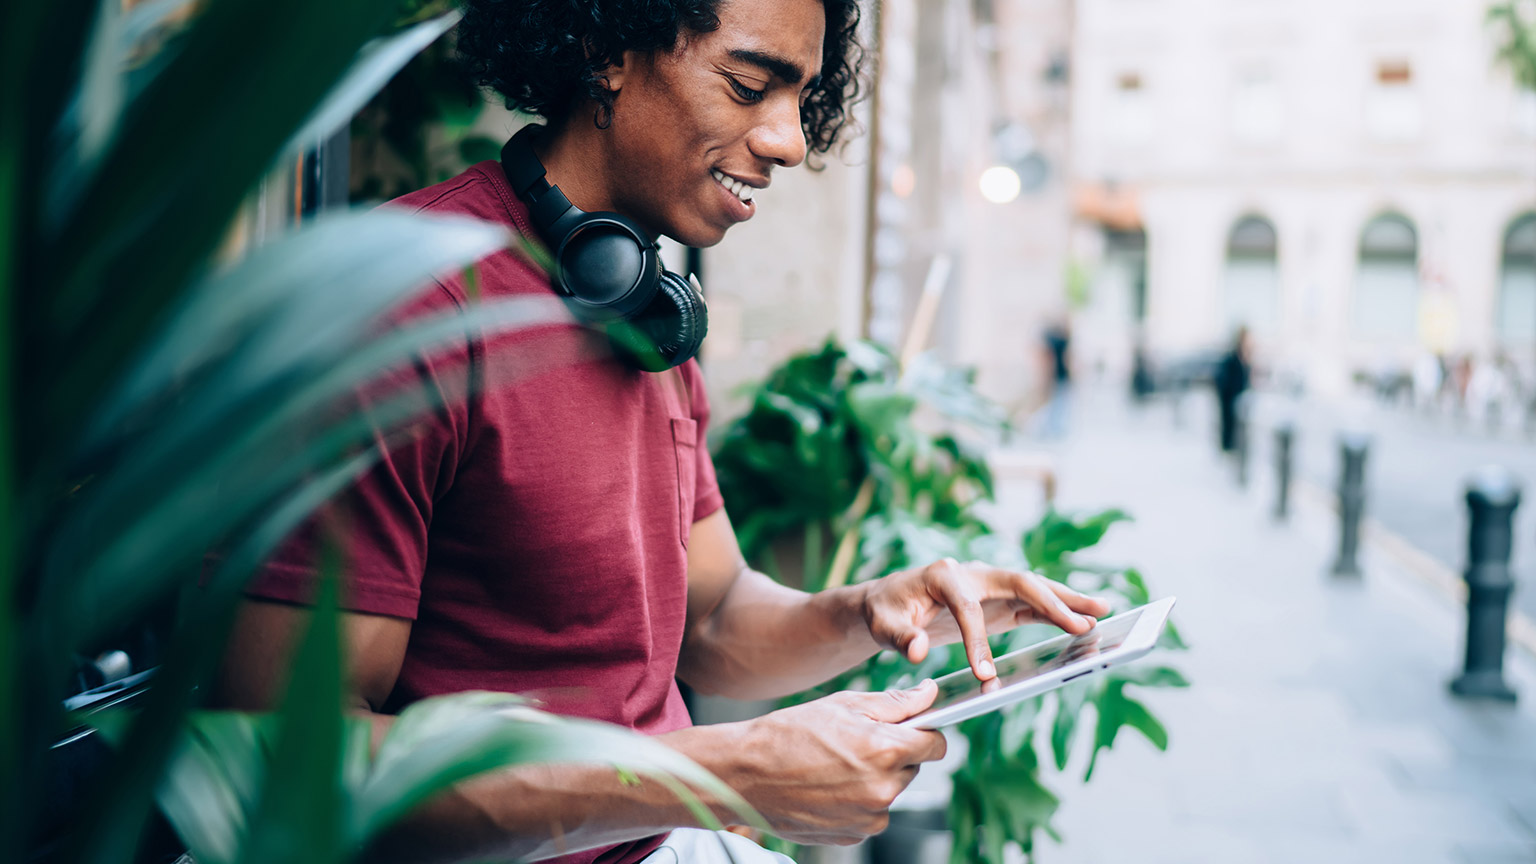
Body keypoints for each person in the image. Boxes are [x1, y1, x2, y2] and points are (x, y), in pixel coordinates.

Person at [214, 2, 1110, 864]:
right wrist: (717, 775)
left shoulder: (644, 311)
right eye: (750, 84)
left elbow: (714, 618)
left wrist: (872, 610)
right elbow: (292, 763)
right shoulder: (400, 308)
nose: (790, 142)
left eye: (802, 100)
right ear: (610, 45)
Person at [1214, 326, 1251, 453]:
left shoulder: (1245, 355)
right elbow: (1224, 378)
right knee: (1229, 424)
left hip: (1238, 397)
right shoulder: (1232, 357)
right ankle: (1228, 446)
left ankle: (1233, 446)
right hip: (1229, 397)